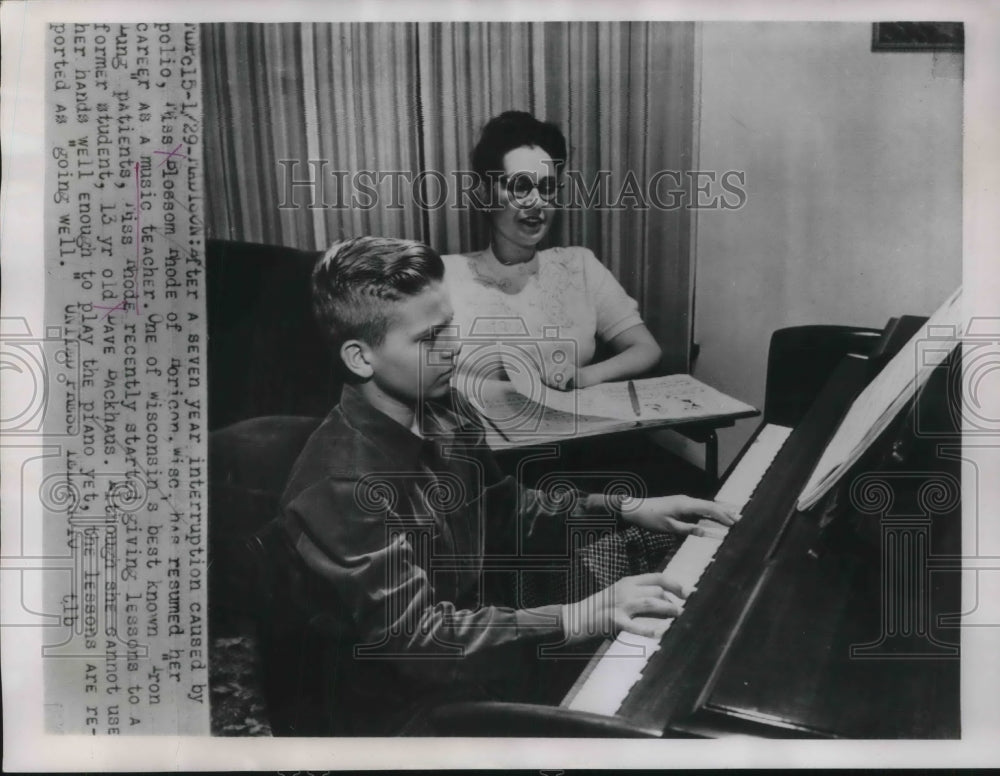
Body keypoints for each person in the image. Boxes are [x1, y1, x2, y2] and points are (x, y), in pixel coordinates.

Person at [274, 236, 737, 735]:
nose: (453, 347)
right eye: (429, 339)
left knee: (659, 570)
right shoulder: (340, 485)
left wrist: (625, 508)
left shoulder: (445, 408)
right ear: (360, 358)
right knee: (646, 720)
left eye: (450, 325)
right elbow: (422, 642)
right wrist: (577, 617)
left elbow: (508, 509)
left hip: (477, 645)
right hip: (403, 711)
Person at [443, 110, 661, 391]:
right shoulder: (446, 274)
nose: (536, 202)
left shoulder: (579, 266)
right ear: (485, 194)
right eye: (520, 186)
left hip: (576, 428)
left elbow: (646, 348)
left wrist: (585, 377)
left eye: (547, 188)